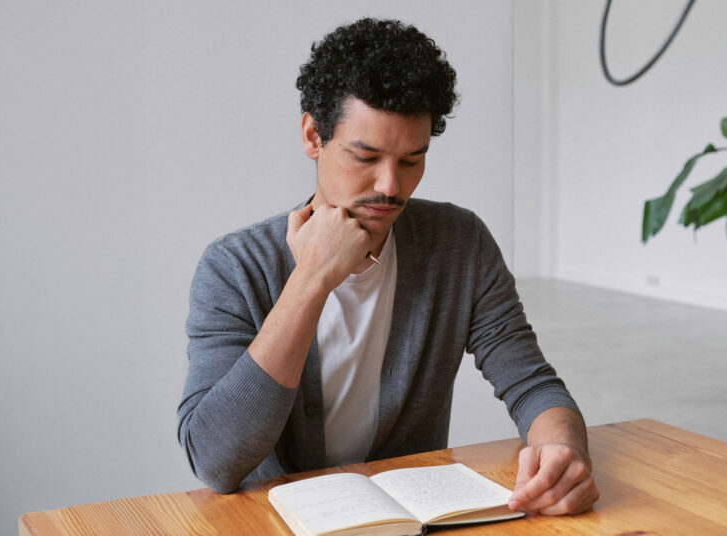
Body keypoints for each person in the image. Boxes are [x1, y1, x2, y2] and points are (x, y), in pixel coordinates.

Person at [177, 17, 599, 516]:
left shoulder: (458, 245)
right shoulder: (235, 266)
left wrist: (564, 452)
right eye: (366, 156)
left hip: (412, 522)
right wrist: (311, 279)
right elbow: (214, 460)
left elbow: (532, 385)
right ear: (314, 135)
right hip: (270, 522)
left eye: (411, 160)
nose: (391, 186)